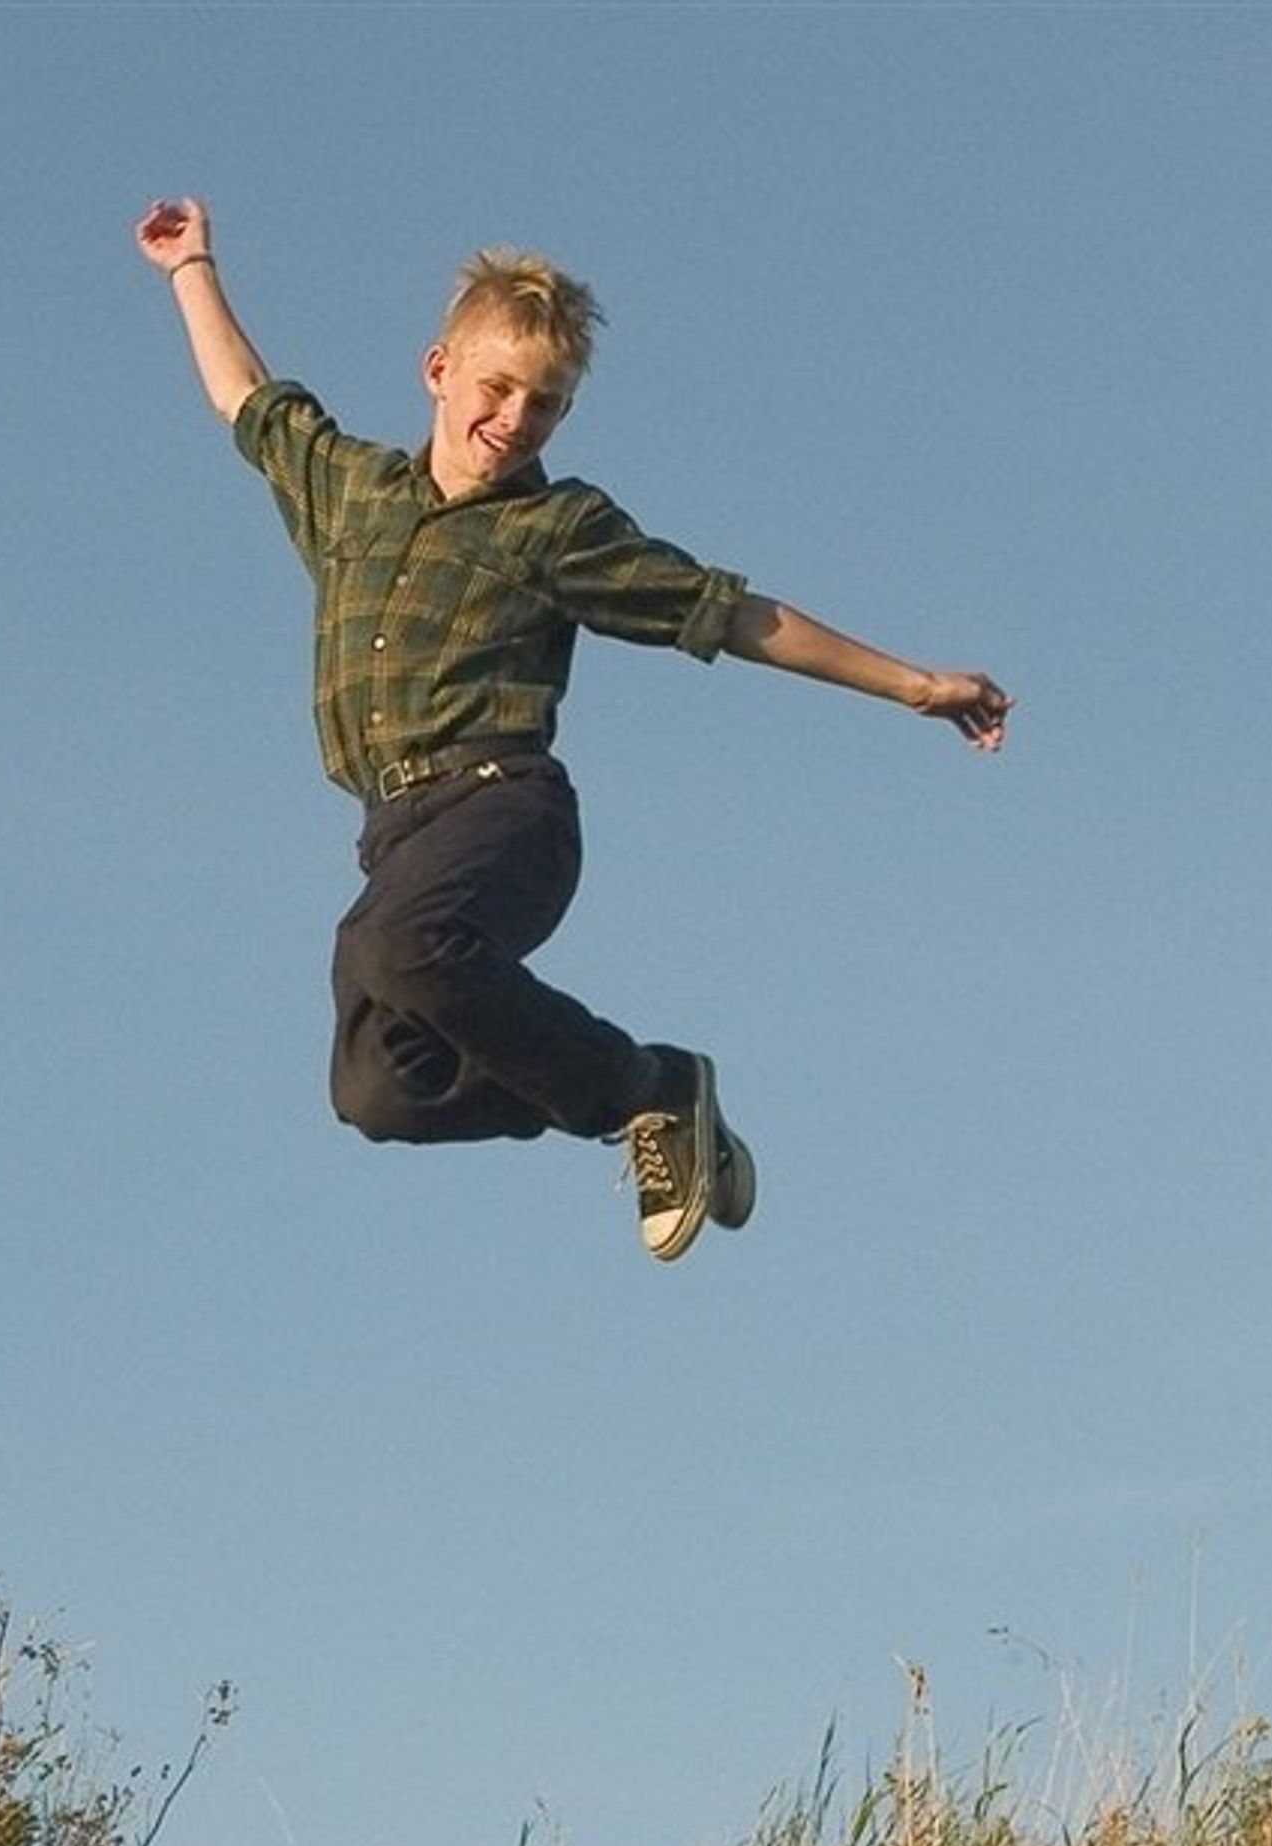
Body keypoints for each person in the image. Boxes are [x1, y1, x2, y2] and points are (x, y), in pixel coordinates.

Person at [136, 196, 1011, 1262]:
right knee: (378, 1094)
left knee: (395, 945)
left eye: (544, 406)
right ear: (439, 370)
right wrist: (193, 267)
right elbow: (247, 400)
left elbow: (727, 612)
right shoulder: (354, 493)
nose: (513, 420)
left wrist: (912, 684)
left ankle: (641, 1093)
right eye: (497, 389)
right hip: (393, 835)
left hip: (503, 807)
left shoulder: (557, 528)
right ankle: (659, 1091)